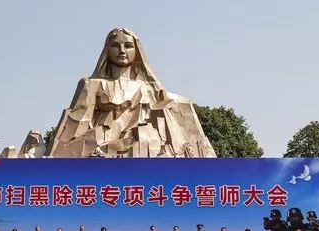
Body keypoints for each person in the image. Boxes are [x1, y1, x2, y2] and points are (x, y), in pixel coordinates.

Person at [46, 27, 215, 157]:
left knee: (179, 104)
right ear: (107, 50)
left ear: (137, 50)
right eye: (115, 45)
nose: (121, 51)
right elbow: (74, 127)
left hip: (145, 147)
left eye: (128, 46)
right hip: (102, 144)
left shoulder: (147, 88)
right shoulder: (92, 84)